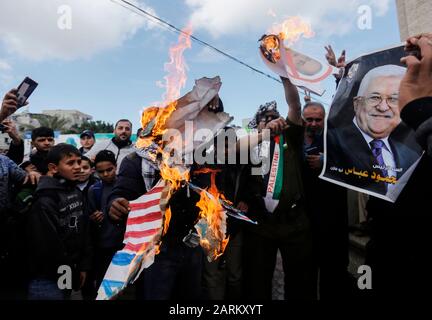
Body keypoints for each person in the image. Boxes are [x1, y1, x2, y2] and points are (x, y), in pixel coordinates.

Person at [362, 33, 432, 299]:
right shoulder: (374, 142)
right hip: (383, 246)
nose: (384, 107)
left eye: (394, 97)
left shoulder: (420, 127)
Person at [241, 76, 317, 300]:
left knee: (298, 280)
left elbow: (294, 105)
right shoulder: (252, 146)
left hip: (294, 222)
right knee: (257, 280)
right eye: (266, 118)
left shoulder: (290, 138)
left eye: (275, 117)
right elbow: (232, 155)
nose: (272, 120)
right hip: (261, 224)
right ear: (258, 124)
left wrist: (285, 76)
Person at [325, 64, 422, 195]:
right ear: (356, 104)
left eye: (393, 99)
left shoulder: (411, 156)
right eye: (375, 97)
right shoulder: (329, 141)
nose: (382, 107)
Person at [26, 144, 92, 300]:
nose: (78, 168)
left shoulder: (75, 191)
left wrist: (83, 266)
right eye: (70, 163)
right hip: (47, 279)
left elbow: (85, 231)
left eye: (78, 162)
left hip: (68, 271)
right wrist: (71, 275)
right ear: (53, 168)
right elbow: (50, 247)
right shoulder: (46, 199)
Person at [86, 150, 124, 297]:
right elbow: (90, 217)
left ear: (116, 166)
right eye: (101, 172)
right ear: (96, 171)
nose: (106, 174)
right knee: (105, 286)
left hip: (123, 246)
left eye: (109, 170)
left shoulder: (126, 186)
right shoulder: (94, 190)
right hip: (103, 247)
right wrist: (94, 218)